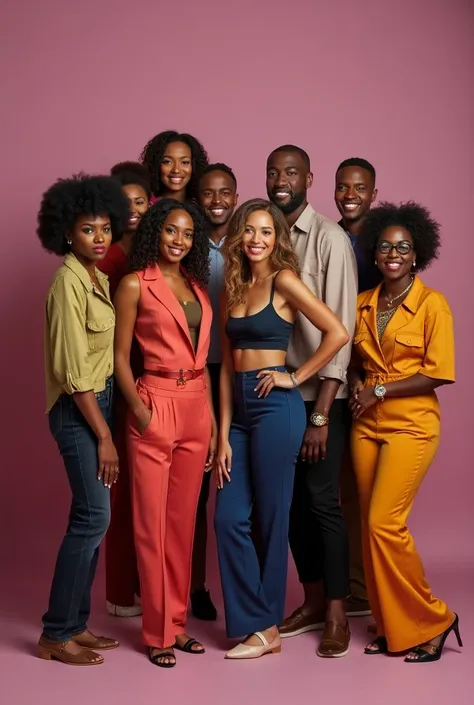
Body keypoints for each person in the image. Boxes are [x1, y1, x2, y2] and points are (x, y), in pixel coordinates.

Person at [214, 198, 349, 660]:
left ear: (278, 238)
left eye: (266, 232)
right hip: (241, 411)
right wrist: (222, 433)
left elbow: (336, 332)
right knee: (229, 518)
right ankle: (254, 619)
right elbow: (227, 369)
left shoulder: (284, 280)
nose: (257, 239)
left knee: (273, 519)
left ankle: (266, 629)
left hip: (278, 405)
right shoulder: (232, 286)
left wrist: (296, 376)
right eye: (249, 231)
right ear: (239, 236)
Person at [348, 202, 461, 663]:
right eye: (385, 246)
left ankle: (432, 619)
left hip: (411, 425)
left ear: (417, 255)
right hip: (364, 426)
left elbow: (438, 372)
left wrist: (378, 390)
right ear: (374, 253)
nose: (393, 253)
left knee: (384, 523)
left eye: (403, 247)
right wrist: (359, 384)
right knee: (368, 528)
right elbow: (354, 363)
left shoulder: (433, 304)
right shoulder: (363, 303)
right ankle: (393, 625)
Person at [114, 199, 217, 668]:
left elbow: (204, 358)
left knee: (182, 527)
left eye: (189, 233)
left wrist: (212, 420)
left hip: (196, 405)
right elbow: (118, 358)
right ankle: (156, 633)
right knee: (151, 527)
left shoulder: (197, 285)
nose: (180, 240)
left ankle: (176, 626)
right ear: (156, 231)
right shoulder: (135, 283)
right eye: (172, 231)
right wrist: (139, 412)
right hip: (155, 403)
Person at [267, 145, 357, 657]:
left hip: (321, 394)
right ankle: (314, 599)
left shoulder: (330, 240)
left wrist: (322, 411)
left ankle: (339, 614)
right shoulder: (265, 234)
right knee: (295, 501)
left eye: (292, 172)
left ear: (309, 179)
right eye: (274, 173)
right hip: (280, 396)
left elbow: (339, 330)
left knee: (323, 501)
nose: (282, 180)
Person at [36, 174, 130, 665]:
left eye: (104, 229)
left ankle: (75, 623)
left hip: (101, 404)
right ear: (66, 234)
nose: (99, 238)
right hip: (81, 412)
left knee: (89, 518)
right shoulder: (67, 282)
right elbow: (74, 375)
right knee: (95, 517)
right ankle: (55, 633)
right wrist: (106, 436)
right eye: (88, 230)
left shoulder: (96, 278)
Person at [99, 168, 151, 618]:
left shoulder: (153, 252)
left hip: (153, 374)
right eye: (124, 203)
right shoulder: (109, 256)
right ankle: (119, 591)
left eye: (140, 203)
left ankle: (141, 584)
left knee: (146, 488)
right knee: (121, 487)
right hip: (118, 378)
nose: (132, 211)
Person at [334, 157, 382, 619]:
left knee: (374, 490)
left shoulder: (384, 242)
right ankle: (355, 587)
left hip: (376, 379)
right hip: (336, 374)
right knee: (345, 488)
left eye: (359, 187)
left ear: (373, 191)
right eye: (343, 186)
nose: (350, 194)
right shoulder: (329, 238)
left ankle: (372, 586)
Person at [192, 163, 238, 620]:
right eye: (208, 193)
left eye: (225, 192)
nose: (217, 200)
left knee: (240, 484)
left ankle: (248, 590)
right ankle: (194, 585)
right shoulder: (186, 242)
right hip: (199, 370)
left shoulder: (252, 238)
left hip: (244, 371)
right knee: (198, 487)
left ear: (237, 195)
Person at [140, 130, 209, 203]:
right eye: (167, 162)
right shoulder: (145, 207)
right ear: (156, 165)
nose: (176, 170)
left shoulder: (203, 207)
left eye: (185, 162)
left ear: (195, 166)